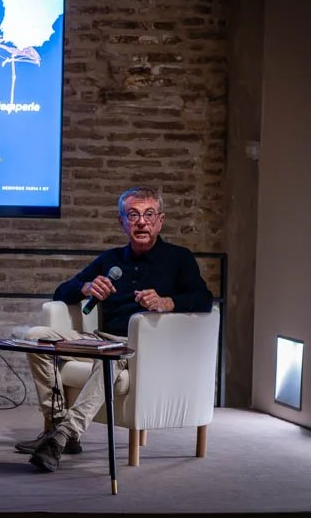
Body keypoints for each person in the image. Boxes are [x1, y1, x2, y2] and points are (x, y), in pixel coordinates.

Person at [18, 186, 213, 473]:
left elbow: (204, 300)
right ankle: (58, 424)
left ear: (161, 220)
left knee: (108, 363)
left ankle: (62, 436)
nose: (141, 222)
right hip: (101, 341)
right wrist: (86, 286)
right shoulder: (110, 260)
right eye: (133, 215)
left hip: (142, 348)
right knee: (35, 338)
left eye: (148, 215)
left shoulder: (178, 258)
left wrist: (165, 302)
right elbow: (61, 291)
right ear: (122, 222)